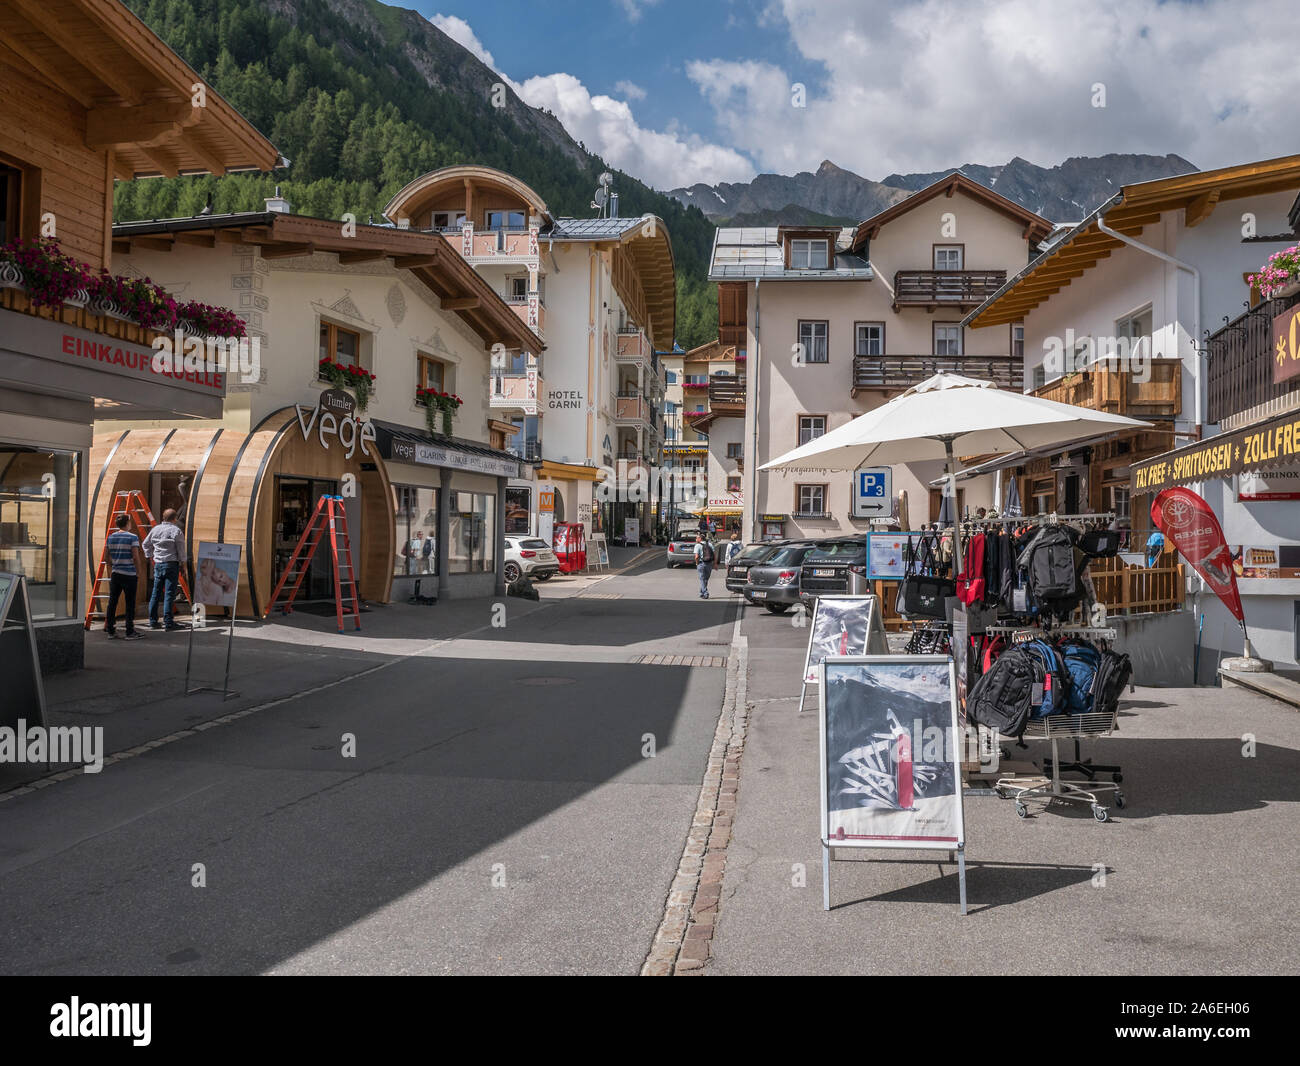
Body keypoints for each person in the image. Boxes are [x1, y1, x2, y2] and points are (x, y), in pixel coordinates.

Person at [143, 508, 187, 631]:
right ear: (175, 518)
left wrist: (150, 556)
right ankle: (168, 622)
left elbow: (145, 544)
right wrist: (183, 566)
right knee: (169, 594)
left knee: (155, 593)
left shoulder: (155, 529)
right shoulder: (176, 531)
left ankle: (153, 621)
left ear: (163, 517)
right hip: (171, 565)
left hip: (158, 564)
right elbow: (181, 551)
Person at [103, 514, 146, 640]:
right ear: (127, 523)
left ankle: (111, 630)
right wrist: (138, 571)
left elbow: (106, 557)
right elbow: (135, 556)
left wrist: (113, 565)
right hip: (129, 574)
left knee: (112, 602)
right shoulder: (132, 537)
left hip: (116, 573)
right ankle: (129, 631)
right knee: (130, 603)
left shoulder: (111, 537)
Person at [694, 532, 715, 599]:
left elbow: (696, 557)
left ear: (700, 539)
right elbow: (714, 555)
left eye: (697, 538)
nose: (696, 539)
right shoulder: (710, 544)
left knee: (702, 579)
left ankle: (706, 593)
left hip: (701, 563)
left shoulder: (697, 545)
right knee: (705, 579)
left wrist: (697, 563)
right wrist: (715, 564)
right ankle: (701, 593)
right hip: (709, 564)